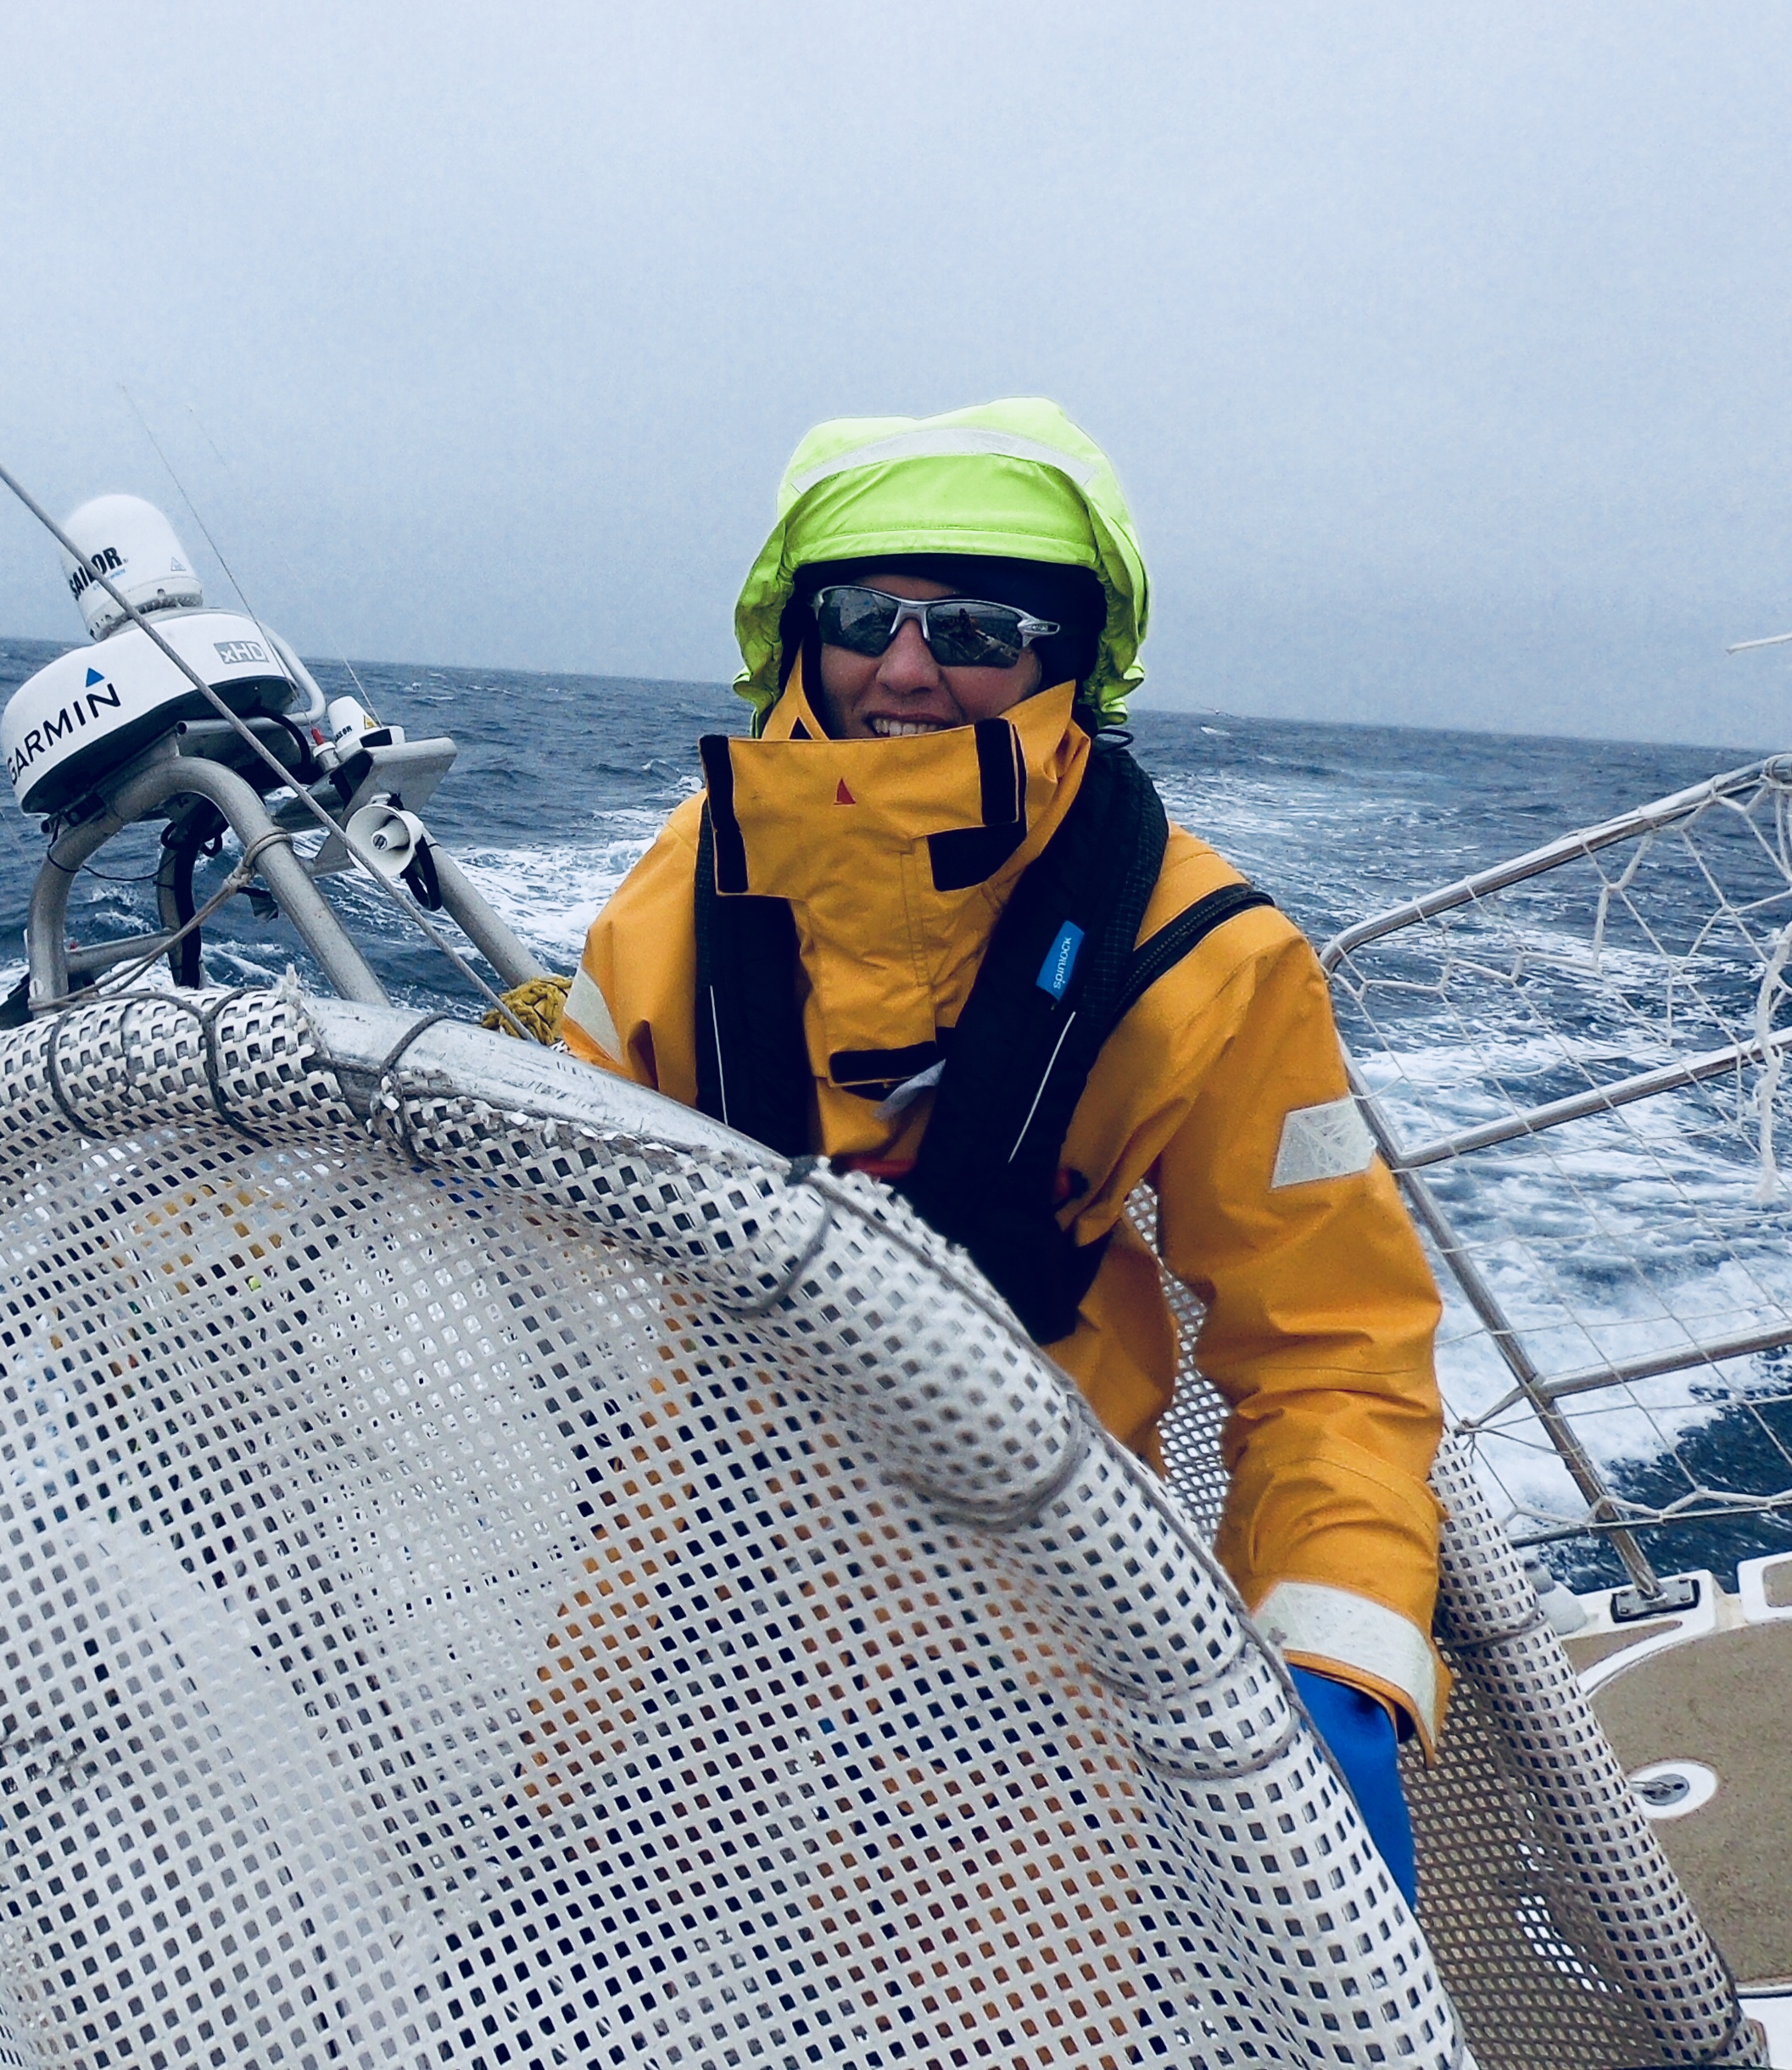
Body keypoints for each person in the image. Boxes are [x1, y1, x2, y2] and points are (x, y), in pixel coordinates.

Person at [557, 396, 1443, 1903]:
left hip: (1031, 1649)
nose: (906, 668)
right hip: (666, 1624)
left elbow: (1332, 1351)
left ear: (1067, 659)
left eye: (979, 625)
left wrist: (1334, 1655)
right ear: (795, 636)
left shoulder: (1207, 955)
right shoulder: (669, 904)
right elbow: (545, 1269)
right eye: (863, 615)